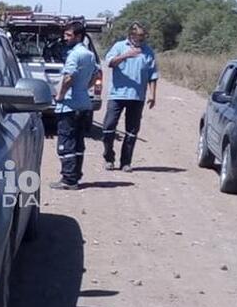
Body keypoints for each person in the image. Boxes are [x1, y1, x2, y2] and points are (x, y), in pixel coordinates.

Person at [102, 22, 159, 172]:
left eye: (143, 36)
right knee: (108, 127)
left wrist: (153, 94)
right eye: (138, 36)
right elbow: (109, 62)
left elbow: (152, 74)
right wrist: (126, 55)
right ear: (131, 35)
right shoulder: (119, 46)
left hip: (137, 96)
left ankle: (126, 162)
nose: (141, 39)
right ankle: (108, 157)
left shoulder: (148, 51)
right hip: (117, 94)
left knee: (132, 131)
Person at [50, 21, 98, 190]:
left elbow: (69, 77)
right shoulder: (89, 54)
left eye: (69, 35)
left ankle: (68, 179)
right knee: (78, 142)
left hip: (69, 106)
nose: (65, 38)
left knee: (66, 142)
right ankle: (75, 176)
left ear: (78, 36)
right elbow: (96, 73)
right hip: (83, 104)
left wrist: (61, 95)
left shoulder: (74, 55)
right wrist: (84, 88)